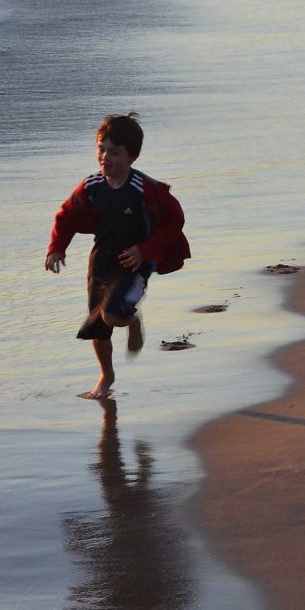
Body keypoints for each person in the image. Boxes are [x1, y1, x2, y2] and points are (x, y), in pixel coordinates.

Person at [45, 112, 191, 400]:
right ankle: (106, 374)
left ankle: (132, 319)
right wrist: (57, 247)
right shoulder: (91, 186)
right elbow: (67, 216)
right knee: (97, 323)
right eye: (101, 149)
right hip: (101, 259)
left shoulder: (144, 189)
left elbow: (175, 221)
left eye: (114, 152)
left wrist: (145, 250)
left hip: (136, 262)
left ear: (131, 157)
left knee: (113, 313)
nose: (105, 157)